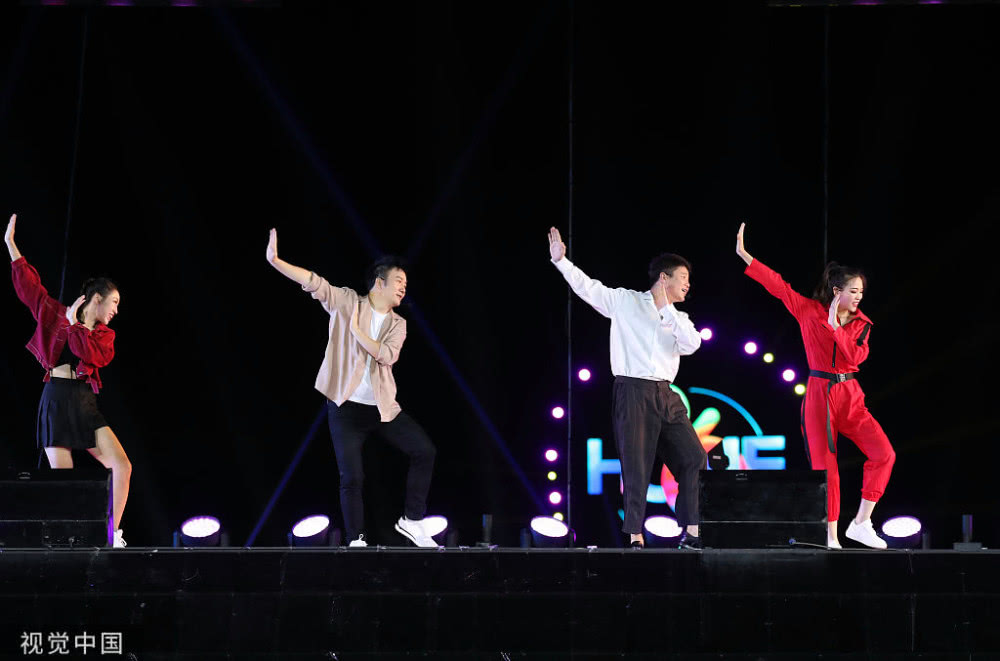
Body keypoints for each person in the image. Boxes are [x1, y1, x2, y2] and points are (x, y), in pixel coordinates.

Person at [266, 228, 438, 548]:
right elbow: (315, 282)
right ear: (379, 282)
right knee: (352, 477)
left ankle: (412, 520)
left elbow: (386, 355)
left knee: (424, 450)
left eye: (405, 283)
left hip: (383, 410)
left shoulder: (398, 324)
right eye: (398, 281)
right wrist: (276, 261)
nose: (404, 287)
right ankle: (356, 540)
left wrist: (357, 333)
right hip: (345, 409)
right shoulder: (347, 302)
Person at [735, 222, 894, 549]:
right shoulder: (809, 311)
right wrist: (746, 256)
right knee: (827, 469)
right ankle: (831, 536)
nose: (858, 297)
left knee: (884, 453)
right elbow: (779, 287)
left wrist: (836, 328)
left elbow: (855, 358)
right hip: (820, 394)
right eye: (853, 291)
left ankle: (861, 523)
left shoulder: (862, 325)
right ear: (837, 291)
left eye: (861, 292)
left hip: (850, 395)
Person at [547, 227, 707, 549]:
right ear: (664, 278)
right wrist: (562, 261)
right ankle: (635, 536)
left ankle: (691, 531)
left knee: (694, 457)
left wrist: (667, 312)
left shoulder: (680, 318)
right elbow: (589, 288)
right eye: (683, 277)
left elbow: (693, 344)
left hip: (666, 394)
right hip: (633, 391)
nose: (688, 284)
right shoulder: (626, 301)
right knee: (636, 466)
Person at [5, 214, 132, 548]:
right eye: (114, 302)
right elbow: (30, 289)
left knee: (122, 466)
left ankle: (111, 534)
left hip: (84, 402)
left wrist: (76, 324)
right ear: (97, 298)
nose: (116, 310)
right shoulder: (55, 314)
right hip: (56, 399)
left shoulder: (104, 336)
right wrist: (11, 245)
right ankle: (70, 545)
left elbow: (87, 352)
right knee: (66, 483)